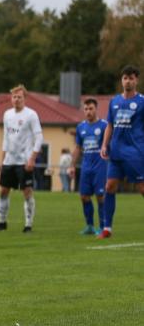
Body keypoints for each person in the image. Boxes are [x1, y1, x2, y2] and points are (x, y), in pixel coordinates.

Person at [98, 65, 144, 239]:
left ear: (136, 80)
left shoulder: (142, 102)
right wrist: (104, 145)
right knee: (109, 186)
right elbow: (110, 125)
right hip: (116, 152)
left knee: (142, 188)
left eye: (131, 78)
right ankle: (107, 228)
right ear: (121, 80)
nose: (128, 81)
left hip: (135, 153)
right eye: (125, 78)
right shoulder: (114, 101)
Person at [0, 84, 43, 233]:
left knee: (27, 192)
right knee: (3, 191)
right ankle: (2, 222)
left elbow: (39, 138)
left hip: (24, 161)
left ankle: (28, 225)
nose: (16, 99)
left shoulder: (31, 115)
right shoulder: (7, 114)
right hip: (9, 161)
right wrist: (2, 159)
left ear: (24, 98)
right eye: (14, 97)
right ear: (11, 99)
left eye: (19, 97)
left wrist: (32, 159)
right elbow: (5, 138)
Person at [68, 98, 108, 235]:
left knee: (100, 196)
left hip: (100, 166)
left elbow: (111, 144)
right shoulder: (81, 127)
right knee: (84, 196)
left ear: (96, 109)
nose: (88, 111)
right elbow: (78, 148)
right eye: (86, 109)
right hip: (86, 167)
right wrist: (72, 165)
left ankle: (103, 227)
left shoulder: (104, 125)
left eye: (91, 108)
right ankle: (90, 226)